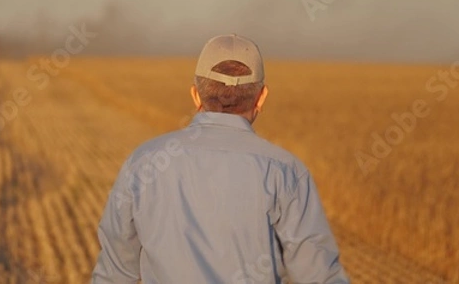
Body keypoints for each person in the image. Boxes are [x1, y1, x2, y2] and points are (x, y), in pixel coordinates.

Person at [91, 34, 349, 283]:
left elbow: (113, 274)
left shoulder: (143, 163)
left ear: (195, 95)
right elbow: (318, 277)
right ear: (262, 97)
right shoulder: (287, 172)